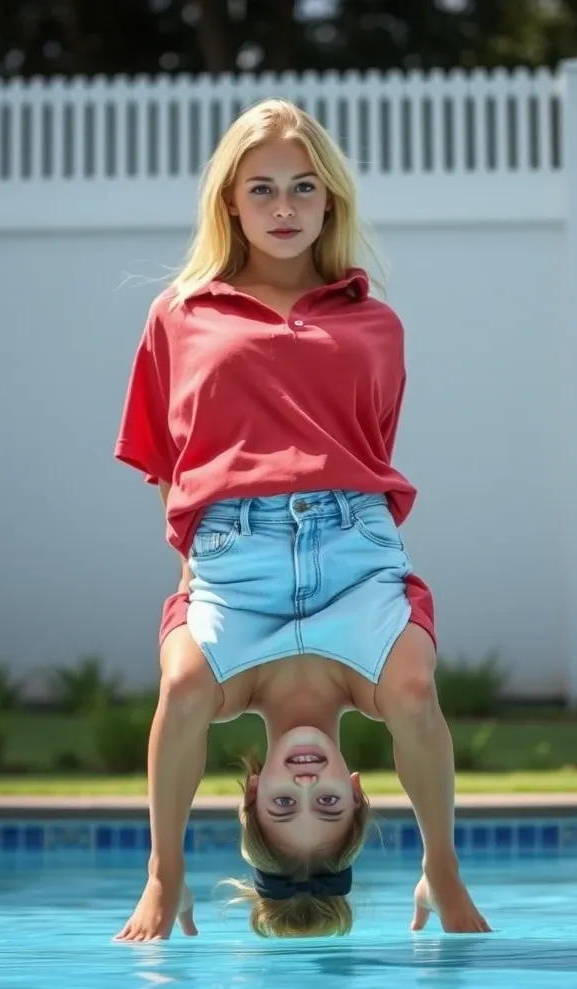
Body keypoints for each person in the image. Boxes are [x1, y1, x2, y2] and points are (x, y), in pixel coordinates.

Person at [111, 97, 490, 941]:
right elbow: (159, 454)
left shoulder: (373, 321)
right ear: (232, 204)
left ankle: (160, 875)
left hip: (286, 561)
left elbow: (367, 441)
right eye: (263, 190)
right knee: (414, 687)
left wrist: (168, 874)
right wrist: (190, 547)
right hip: (326, 563)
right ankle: (445, 869)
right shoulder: (179, 313)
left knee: (179, 683)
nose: (283, 209)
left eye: (302, 189)